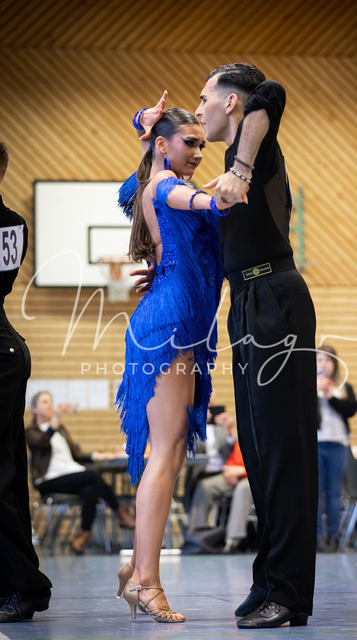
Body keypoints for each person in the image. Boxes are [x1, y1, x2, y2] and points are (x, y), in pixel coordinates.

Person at [133, 63, 319, 629]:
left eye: (204, 97)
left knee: (284, 448)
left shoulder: (253, 147)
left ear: (232, 103)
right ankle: (269, 581)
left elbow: (272, 91)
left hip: (274, 297)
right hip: (246, 300)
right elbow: (157, 196)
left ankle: (288, 591)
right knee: (259, 450)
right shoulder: (228, 160)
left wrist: (239, 169)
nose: (200, 108)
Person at [115, 103, 231, 623]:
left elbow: (135, 193)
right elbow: (190, 199)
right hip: (170, 324)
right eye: (190, 142)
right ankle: (148, 582)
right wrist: (221, 193)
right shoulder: (166, 185)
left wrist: (145, 135)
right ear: (165, 145)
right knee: (165, 453)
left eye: (203, 143)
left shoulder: (157, 178)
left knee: (173, 452)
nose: (200, 152)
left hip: (183, 323)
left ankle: (138, 568)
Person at [0, 138, 52, 623]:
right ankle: (17, 583)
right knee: (9, 472)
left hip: (2, 356)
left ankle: (27, 585)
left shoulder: (10, 224)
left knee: (2, 473)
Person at [26, 391, 136, 554]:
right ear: (34, 409)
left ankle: (83, 536)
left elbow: (76, 455)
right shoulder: (32, 432)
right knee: (92, 475)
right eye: (44, 402)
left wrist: (97, 456)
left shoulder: (60, 429)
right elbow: (43, 442)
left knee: (90, 490)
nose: (49, 405)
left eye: (50, 401)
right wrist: (56, 418)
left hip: (68, 474)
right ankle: (121, 512)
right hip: (47, 480)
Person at [316, 345, 357, 552]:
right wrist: (315, 390)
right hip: (316, 443)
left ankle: (334, 536)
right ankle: (317, 537)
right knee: (316, 493)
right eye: (319, 360)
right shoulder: (307, 387)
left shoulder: (343, 386)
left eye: (327, 360)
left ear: (334, 363)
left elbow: (351, 409)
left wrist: (330, 396)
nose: (323, 364)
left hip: (338, 443)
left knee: (334, 492)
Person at [188, 440, 254, 553]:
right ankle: (195, 536)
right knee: (205, 486)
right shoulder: (241, 438)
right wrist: (228, 471)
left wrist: (243, 471)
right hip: (233, 474)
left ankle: (232, 541)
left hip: (252, 477)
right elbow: (232, 459)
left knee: (243, 488)